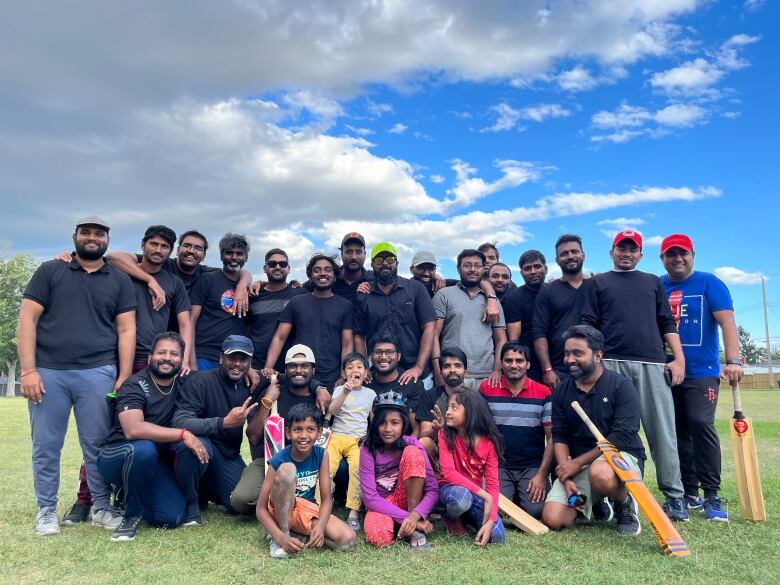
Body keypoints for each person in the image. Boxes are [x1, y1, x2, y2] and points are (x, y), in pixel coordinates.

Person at [18, 215, 135, 535]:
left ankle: (101, 506)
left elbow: (126, 329)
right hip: (48, 372)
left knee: (96, 445)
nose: (92, 238)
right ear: (75, 236)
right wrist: (28, 370)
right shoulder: (50, 270)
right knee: (45, 444)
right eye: (86, 232)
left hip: (97, 371)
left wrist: (124, 373)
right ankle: (46, 511)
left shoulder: (119, 279)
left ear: (108, 240)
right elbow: (27, 320)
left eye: (99, 233)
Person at [581, 229, 689, 521]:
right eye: (621, 248)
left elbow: (666, 321)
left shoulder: (652, 282)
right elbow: (590, 324)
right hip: (611, 364)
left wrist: (678, 358)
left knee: (662, 431)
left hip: (652, 364)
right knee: (611, 436)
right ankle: (612, 497)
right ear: (612, 252)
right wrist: (595, 362)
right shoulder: (598, 282)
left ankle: (674, 497)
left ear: (640, 254)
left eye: (633, 249)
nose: (626, 253)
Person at [661, 233, 743, 522]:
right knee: (676, 429)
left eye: (682, 253)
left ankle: (712, 494)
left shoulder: (709, 282)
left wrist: (732, 361)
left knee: (700, 424)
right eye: (671, 254)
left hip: (702, 373)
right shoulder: (658, 285)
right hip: (667, 372)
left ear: (693, 255)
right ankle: (688, 492)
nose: (677, 259)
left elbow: (727, 322)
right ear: (663, 259)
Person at [97, 332, 207, 541]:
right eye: (161, 352)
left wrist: (255, 373)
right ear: (150, 357)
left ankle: (127, 493)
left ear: (182, 360)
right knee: (144, 448)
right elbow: (133, 429)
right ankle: (131, 515)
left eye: (174, 354)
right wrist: (182, 433)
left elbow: (216, 377)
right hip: (117, 455)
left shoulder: (184, 383)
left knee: (171, 517)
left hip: (152, 463)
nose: (167, 358)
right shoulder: (134, 384)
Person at [542, 325, 645, 536]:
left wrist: (577, 463)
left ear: (598, 355)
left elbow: (621, 437)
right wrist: (565, 474)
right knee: (554, 518)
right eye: (567, 353)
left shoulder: (621, 386)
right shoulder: (562, 390)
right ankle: (599, 499)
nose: (569, 359)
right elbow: (559, 434)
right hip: (579, 465)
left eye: (578, 353)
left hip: (618, 459)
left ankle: (625, 503)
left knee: (601, 473)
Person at [230, 344, 331, 515]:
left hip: (310, 466)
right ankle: (282, 501)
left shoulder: (322, 398)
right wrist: (267, 401)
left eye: (304, 365)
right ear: (285, 370)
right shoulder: (273, 393)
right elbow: (253, 437)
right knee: (240, 500)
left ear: (313, 370)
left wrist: (320, 388)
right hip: (271, 462)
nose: (298, 370)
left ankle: (287, 503)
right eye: (293, 366)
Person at [171, 335, 258, 524]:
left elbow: (285, 377)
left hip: (227, 455)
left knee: (241, 504)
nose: (237, 364)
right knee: (192, 446)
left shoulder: (251, 383)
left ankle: (204, 489)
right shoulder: (201, 381)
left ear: (249, 363)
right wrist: (223, 423)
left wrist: (319, 388)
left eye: (242, 359)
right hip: (203, 445)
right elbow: (180, 421)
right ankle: (190, 504)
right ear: (221, 358)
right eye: (231, 358)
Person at [257, 403, 356, 559]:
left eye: (310, 429)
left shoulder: (321, 455)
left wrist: (321, 526)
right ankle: (280, 535)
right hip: (281, 511)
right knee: (288, 470)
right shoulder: (279, 459)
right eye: (298, 429)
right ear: (288, 433)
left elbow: (326, 499)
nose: (304, 435)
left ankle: (299, 534)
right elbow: (261, 509)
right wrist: (281, 537)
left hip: (305, 510)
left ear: (319, 433)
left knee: (347, 539)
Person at [478, 342, 552, 519]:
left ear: (528, 364)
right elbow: (479, 432)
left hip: (531, 466)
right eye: (508, 360)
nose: (513, 365)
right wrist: (483, 471)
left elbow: (552, 437)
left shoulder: (543, 392)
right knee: (493, 510)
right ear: (501, 363)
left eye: (519, 360)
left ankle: (520, 495)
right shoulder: (487, 389)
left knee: (535, 512)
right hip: (498, 465)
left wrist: (542, 474)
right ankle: (513, 496)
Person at [105, 229, 252, 315]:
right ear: (177, 250)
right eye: (187, 246)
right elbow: (113, 257)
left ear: (204, 256)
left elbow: (239, 271)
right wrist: (150, 280)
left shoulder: (205, 274)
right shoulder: (161, 263)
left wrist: (242, 285)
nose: (191, 251)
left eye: (198, 248)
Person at [360, 391, 439, 549]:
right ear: (375, 424)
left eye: (394, 423)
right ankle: (409, 525)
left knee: (412, 452)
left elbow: (433, 490)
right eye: (382, 423)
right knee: (378, 537)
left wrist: (415, 515)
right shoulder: (367, 450)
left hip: (409, 503)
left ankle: (411, 529)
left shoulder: (413, 444)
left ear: (403, 424)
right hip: (381, 505)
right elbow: (370, 498)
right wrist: (409, 519)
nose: (388, 429)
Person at [263, 254, 354, 389]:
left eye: (328, 270)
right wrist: (268, 368)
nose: (322, 273)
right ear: (310, 276)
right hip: (299, 374)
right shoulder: (296, 302)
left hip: (331, 378)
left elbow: (347, 344)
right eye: (317, 270)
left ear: (335, 276)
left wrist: (344, 375)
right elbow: (280, 337)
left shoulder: (345, 305)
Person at [354, 242, 436, 386]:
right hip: (378, 374)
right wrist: (364, 367)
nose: (385, 263)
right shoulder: (364, 295)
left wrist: (419, 367)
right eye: (379, 260)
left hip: (417, 373)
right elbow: (359, 336)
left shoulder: (416, 289)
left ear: (397, 262)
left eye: (390, 259)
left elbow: (430, 327)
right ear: (372, 265)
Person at [438, 388, 506, 546]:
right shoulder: (445, 434)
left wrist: (490, 520)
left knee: (498, 537)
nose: (447, 412)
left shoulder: (489, 442)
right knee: (461, 498)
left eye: (454, 408)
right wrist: (486, 496)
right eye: (448, 407)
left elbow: (493, 485)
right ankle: (451, 517)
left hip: (475, 495)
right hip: (451, 490)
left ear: (471, 411)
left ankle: (467, 518)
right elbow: (448, 473)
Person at [432, 249, 506, 386]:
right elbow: (433, 336)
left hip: (487, 376)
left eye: (477, 265)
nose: (473, 269)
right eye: (467, 265)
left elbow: (501, 340)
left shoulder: (493, 301)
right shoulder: (444, 295)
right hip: (452, 373)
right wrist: (438, 373)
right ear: (458, 268)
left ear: (483, 269)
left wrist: (497, 370)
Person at [128, 225, 192, 373]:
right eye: (153, 244)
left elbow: (185, 325)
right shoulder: (123, 274)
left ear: (170, 251)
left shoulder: (175, 283)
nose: (158, 250)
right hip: (118, 355)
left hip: (154, 358)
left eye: (164, 246)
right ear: (143, 245)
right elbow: (110, 258)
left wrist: (185, 360)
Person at [532, 234, 591, 389]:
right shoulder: (547, 291)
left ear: (583, 255)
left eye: (574, 251)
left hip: (594, 368)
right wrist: (547, 369)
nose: (570, 256)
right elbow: (539, 332)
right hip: (560, 371)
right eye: (564, 253)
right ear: (557, 260)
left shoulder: (597, 286)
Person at [327, 353, 377, 530]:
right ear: (343, 373)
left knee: (357, 468)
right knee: (328, 467)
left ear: (366, 374)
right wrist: (345, 392)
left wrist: (369, 437)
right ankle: (319, 504)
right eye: (350, 367)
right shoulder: (340, 390)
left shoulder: (370, 394)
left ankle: (353, 510)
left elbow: (374, 420)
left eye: (359, 367)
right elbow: (332, 410)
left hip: (357, 440)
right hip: (336, 437)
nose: (354, 370)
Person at [190, 233, 252, 370]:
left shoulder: (250, 288)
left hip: (233, 358)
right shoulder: (206, 280)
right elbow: (190, 321)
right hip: (204, 355)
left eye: (239, 254)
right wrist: (191, 359)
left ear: (246, 258)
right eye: (229, 253)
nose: (234, 257)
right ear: (221, 256)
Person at [246, 248, 307, 373]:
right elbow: (246, 329)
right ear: (264, 268)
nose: (278, 267)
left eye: (282, 264)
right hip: (256, 366)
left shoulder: (300, 295)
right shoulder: (253, 295)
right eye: (272, 264)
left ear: (289, 269)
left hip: (291, 367)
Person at [415, 348, 469, 462]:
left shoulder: (474, 398)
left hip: (466, 451)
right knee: (423, 443)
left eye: (458, 365)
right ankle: (436, 476)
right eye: (447, 366)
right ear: (440, 372)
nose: (452, 370)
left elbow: (480, 435)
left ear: (465, 371)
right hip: (439, 451)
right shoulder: (430, 396)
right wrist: (437, 429)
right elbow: (423, 434)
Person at [504, 250, 549, 383]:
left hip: (558, 361)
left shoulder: (555, 291)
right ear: (521, 272)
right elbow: (514, 339)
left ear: (545, 269)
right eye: (527, 268)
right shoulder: (515, 297)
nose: (533, 271)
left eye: (537, 266)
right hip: (529, 365)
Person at [368, 330, 425, 432]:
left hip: (404, 443)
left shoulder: (412, 384)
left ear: (398, 356)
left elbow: (417, 429)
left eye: (389, 352)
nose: (383, 357)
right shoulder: (364, 382)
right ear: (371, 356)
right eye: (378, 352)